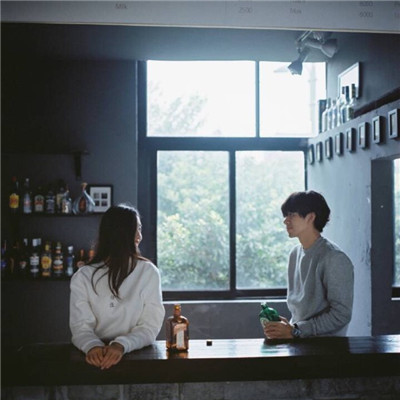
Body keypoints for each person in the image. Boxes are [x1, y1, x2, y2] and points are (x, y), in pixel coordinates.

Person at [69, 204, 165, 370]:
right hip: (94, 359)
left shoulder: (148, 272)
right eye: (136, 229)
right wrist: (92, 346)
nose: (139, 236)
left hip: (137, 357)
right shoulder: (83, 276)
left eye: (140, 229)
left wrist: (121, 345)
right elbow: (80, 327)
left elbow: (150, 326)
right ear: (120, 233)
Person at [264, 190, 354, 339]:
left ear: (311, 217)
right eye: (285, 215)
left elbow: (341, 315)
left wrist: (295, 330)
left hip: (326, 348)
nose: (285, 221)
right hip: (299, 343)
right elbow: (300, 316)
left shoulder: (334, 258)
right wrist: (287, 327)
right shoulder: (295, 254)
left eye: (292, 215)